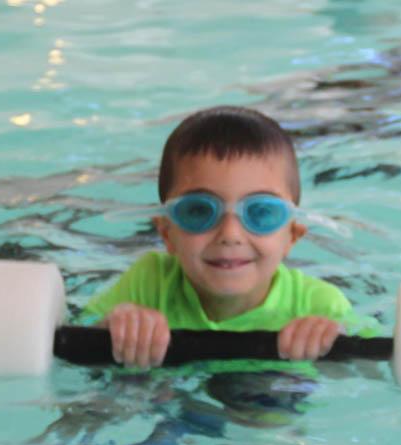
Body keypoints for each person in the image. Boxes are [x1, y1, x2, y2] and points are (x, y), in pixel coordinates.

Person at [82, 105, 379, 368]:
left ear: (292, 235)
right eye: (199, 211)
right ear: (166, 233)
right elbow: (66, 335)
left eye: (261, 212)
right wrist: (113, 325)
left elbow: (377, 364)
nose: (230, 234)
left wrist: (338, 344)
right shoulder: (149, 283)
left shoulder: (317, 305)